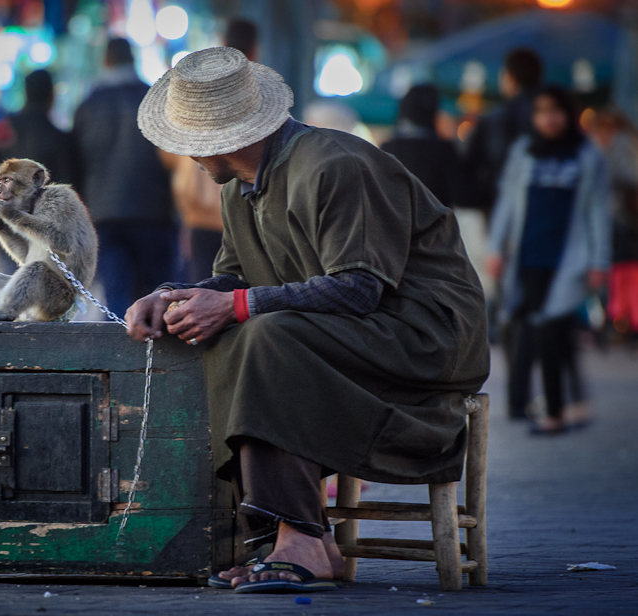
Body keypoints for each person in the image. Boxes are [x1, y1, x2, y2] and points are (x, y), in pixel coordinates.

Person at [127, 47, 489, 592]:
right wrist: (170, 297)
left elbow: (360, 289)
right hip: (348, 336)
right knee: (224, 335)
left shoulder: (334, 166)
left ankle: (296, 537)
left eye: (190, 145)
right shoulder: (241, 189)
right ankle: (296, 536)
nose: (186, 157)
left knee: (267, 335)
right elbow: (230, 280)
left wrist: (237, 306)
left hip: (425, 339)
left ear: (226, 137)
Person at [487, 86, 612, 434]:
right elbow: (508, 203)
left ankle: (555, 411)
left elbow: (598, 209)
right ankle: (540, 403)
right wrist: (496, 248)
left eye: (555, 110)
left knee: (552, 329)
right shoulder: (523, 151)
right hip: (527, 256)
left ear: (567, 114)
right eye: (542, 111)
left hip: (570, 258)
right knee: (532, 326)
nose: (549, 118)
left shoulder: (587, 155)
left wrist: (599, 259)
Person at [72, 38, 176, 314]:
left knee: (116, 297)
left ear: (106, 61)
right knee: (159, 296)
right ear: (133, 59)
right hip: (153, 212)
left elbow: (76, 163)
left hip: (103, 213)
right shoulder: (153, 99)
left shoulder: (89, 105)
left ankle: (119, 353)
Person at [160, 19, 259, 283]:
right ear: (255, 49)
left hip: (199, 212)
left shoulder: (208, 84)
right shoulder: (257, 91)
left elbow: (169, 154)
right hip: (243, 212)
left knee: (202, 287)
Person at [464, 48, 544, 216]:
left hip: (500, 204)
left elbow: (470, 164)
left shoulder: (492, 118)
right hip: (546, 205)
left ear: (510, 77)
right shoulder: (552, 117)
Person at [591, 108, 638, 342]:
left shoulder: (620, 146)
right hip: (614, 220)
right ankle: (615, 320)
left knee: (619, 272)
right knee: (616, 272)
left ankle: (617, 321)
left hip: (621, 220)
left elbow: (628, 177)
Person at [382, 84, 463, 207]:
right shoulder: (443, 149)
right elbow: (463, 195)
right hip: (435, 222)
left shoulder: (388, 148)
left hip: (394, 222)